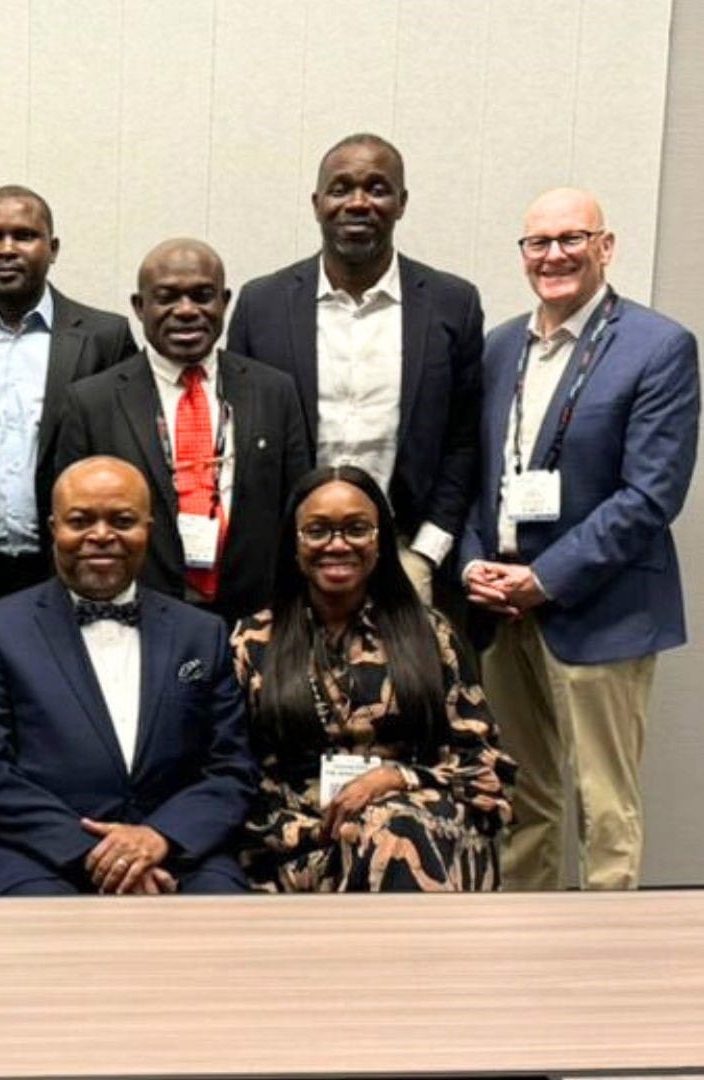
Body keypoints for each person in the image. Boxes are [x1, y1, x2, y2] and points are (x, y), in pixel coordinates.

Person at [462, 188, 700, 891]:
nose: (554, 256)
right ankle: (523, 939)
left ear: (606, 246)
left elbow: (650, 495)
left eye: (572, 239)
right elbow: (474, 473)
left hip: (600, 608)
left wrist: (545, 579)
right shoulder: (500, 347)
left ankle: (608, 945)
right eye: (538, 242)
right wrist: (474, 563)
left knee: (605, 806)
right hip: (501, 610)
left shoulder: (658, 346)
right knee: (520, 795)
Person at [0, 457, 257, 895]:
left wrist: (158, 838)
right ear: (53, 528)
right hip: (34, 852)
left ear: (149, 529)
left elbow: (231, 770)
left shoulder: (201, 633)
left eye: (122, 521)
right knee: (37, 931)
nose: (101, 535)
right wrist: (105, 854)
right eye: (80, 521)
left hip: (176, 849)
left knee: (227, 923)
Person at [233, 466, 516, 892]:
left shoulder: (431, 635)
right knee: (382, 832)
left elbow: (487, 768)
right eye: (317, 531)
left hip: (430, 834)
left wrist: (396, 780)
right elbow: (235, 779)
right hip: (306, 847)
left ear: (380, 540)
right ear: (294, 543)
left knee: (396, 827)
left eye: (356, 529)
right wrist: (329, 829)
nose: (337, 544)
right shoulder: (253, 642)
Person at [226, 133, 483, 601]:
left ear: (401, 202)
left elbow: (463, 441)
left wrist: (427, 552)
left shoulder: (452, 304)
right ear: (317, 203)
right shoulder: (261, 305)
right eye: (341, 188)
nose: (359, 202)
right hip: (291, 558)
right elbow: (240, 441)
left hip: (404, 554)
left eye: (377, 188)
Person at [54, 238, 310, 622]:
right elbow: (70, 528)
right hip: (137, 617)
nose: (187, 310)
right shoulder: (92, 403)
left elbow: (298, 512)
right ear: (139, 307)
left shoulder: (274, 391)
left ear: (225, 302)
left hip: (254, 620)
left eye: (202, 296)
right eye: (167, 298)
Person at [0, 185, 139, 621]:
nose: (7, 249)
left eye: (24, 235)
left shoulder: (104, 336)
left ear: (53, 248)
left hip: (69, 559)